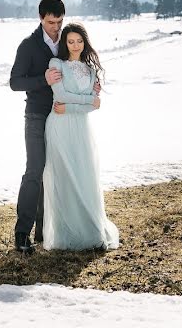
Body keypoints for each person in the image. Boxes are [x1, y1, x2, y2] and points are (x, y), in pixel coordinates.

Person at [9, 0, 99, 254]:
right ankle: (22, 234)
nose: (56, 28)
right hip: (37, 116)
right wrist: (43, 79)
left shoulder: (66, 43)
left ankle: (44, 231)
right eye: (51, 23)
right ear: (40, 19)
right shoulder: (28, 46)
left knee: (57, 172)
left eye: (59, 22)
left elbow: (77, 69)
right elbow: (15, 82)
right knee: (35, 171)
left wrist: (91, 86)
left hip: (63, 119)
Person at [42, 23, 119, 251]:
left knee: (85, 176)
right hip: (60, 126)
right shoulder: (57, 64)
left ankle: (91, 231)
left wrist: (79, 105)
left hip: (82, 128)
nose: (75, 45)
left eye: (79, 41)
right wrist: (87, 101)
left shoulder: (91, 71)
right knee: (66, 178)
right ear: (64, 44)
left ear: (85, 43)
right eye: (70, 41)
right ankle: (67, 234)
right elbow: (61, 96)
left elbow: (92, 107)